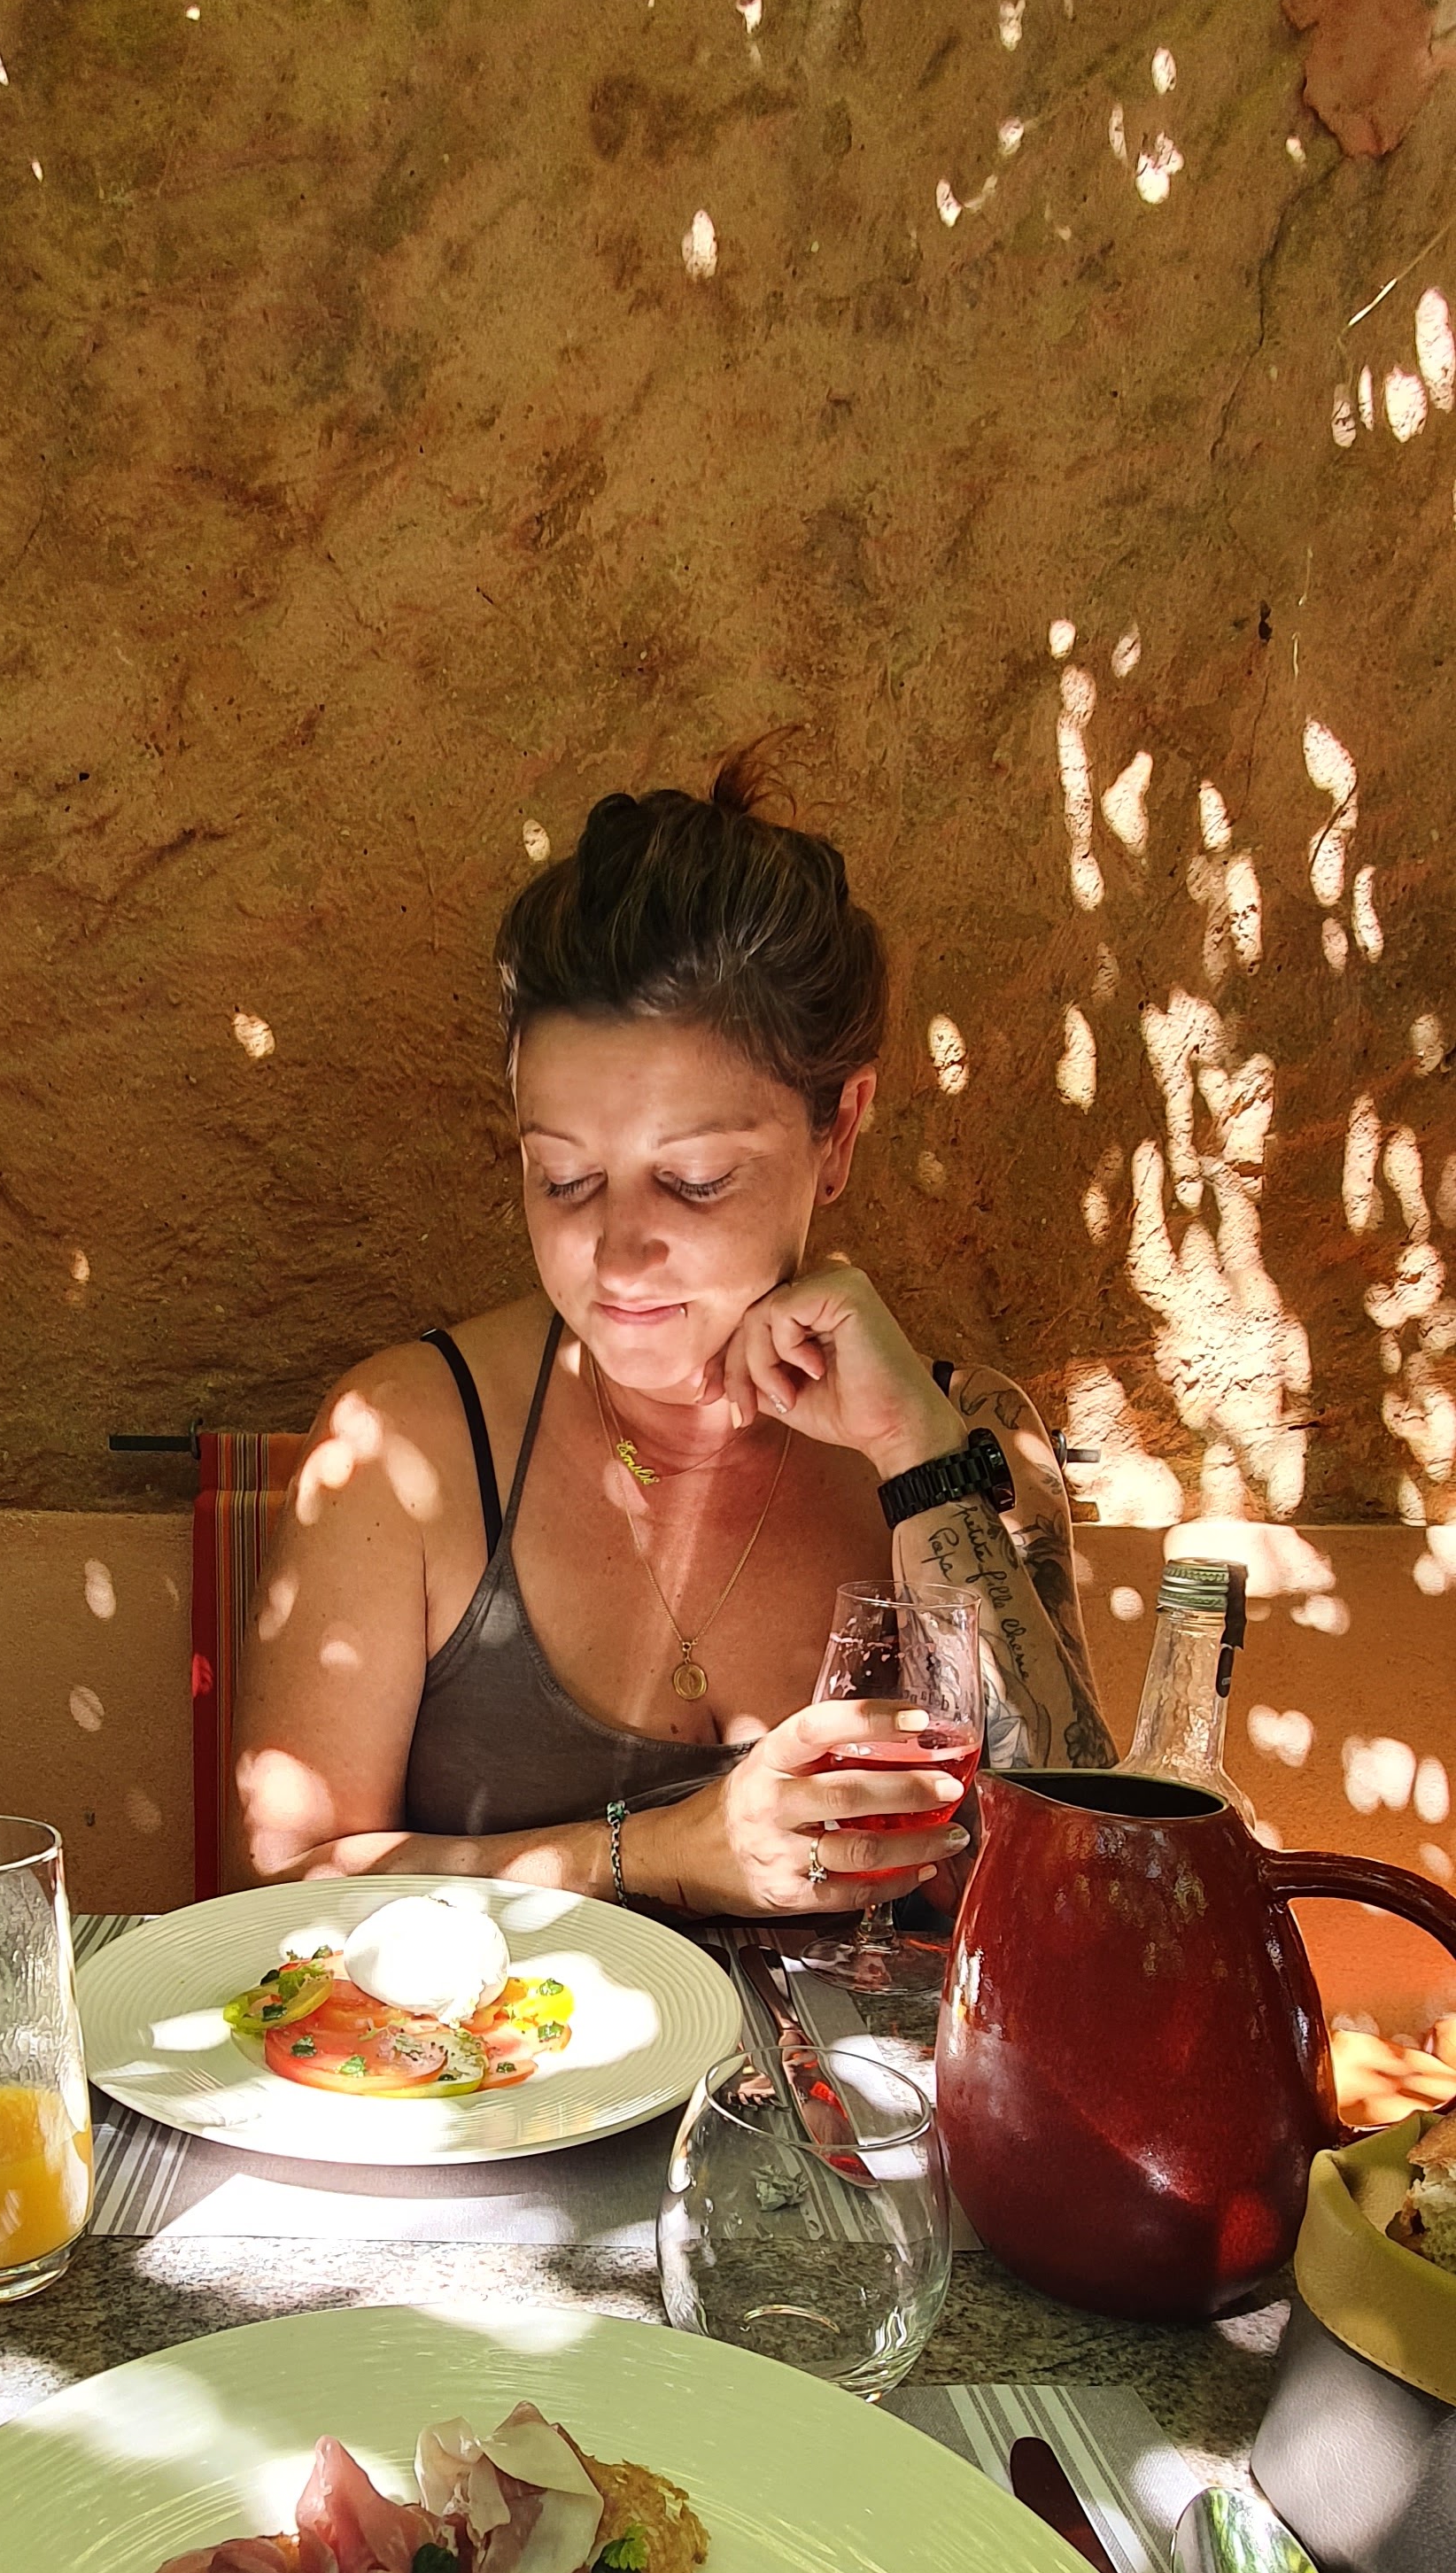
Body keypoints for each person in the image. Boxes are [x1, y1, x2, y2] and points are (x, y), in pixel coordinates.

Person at [231, 751, 1112, 1918]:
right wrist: (669, 1850)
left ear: (840, 1133)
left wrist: (916, 1453)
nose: (614, 1253)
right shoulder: (402, 1442)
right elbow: (282, 1884)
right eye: (561, 1178)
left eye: (695, 1180)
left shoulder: (969, 1431)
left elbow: (1081, 1890)